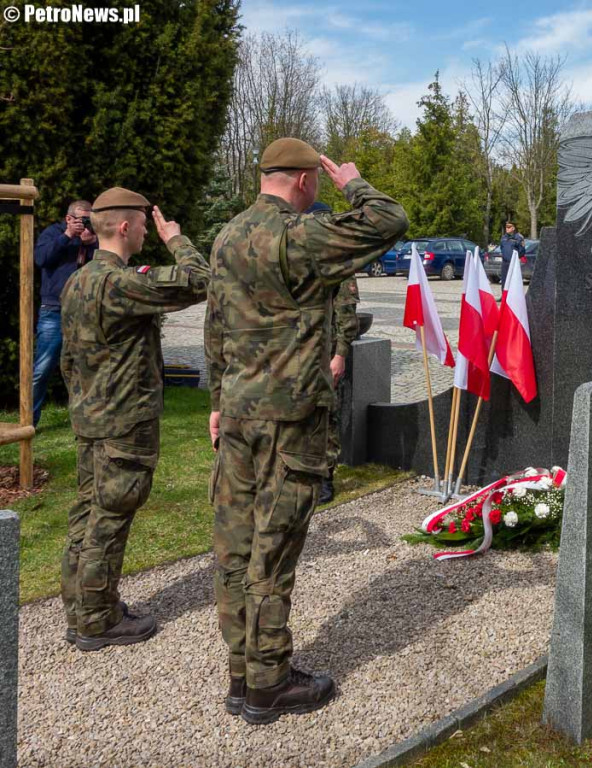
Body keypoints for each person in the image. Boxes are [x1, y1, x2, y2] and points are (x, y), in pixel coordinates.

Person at [206, 137, 407, 725]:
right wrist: (353, 181)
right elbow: (390, 219)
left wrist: (218, 399)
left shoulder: (226, 237)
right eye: (315, 181)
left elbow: (217, 328)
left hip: (240, 413)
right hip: (290, 420)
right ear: (300, 181)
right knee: (274, 549)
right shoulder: (299, 235)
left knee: (235, 547)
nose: (318, 190)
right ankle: (269, 685)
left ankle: (242, 674)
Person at [59, 187, 210, 650]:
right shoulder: (120, 282)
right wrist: (176, 239)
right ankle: (99, 620)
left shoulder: (77, 281)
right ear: (125, 227)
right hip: (124, 422)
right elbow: (201, 279)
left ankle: (83, 605)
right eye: (145, 222)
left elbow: (69, 360)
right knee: (111, 515)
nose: (150, 228)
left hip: (90, 418)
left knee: (87, 512)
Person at [304, 201, 360, 505]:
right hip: (296, 353)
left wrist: (340, 354)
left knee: (326, 415)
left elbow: (347, 313)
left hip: (326, 353)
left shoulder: (337, 260)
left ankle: (325, 477)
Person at [32, 200, 99, 427]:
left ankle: (83, 421)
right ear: (68, 218)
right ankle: (29, 421)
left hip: (84, 310)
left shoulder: (94, 237)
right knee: (42, 368)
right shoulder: (53, 233)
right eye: (81, 220)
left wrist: (93, 245)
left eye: (89, 220)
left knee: (84, 367)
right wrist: (68, 236)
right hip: (53, 309)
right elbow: (41, 259)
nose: (85, 224)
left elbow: (107, 268)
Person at [498, 220, 525, 288]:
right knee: (504, 281)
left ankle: (512, 298)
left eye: (509, 227)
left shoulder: (518, 238)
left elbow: (522, 251)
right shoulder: (504, 237)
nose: (507, 228)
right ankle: (504, 297)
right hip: (505, 262)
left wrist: (515, 258)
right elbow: (502, 248)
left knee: (513, 282)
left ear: (513, 228)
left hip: (513, 262)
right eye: (506, 227)